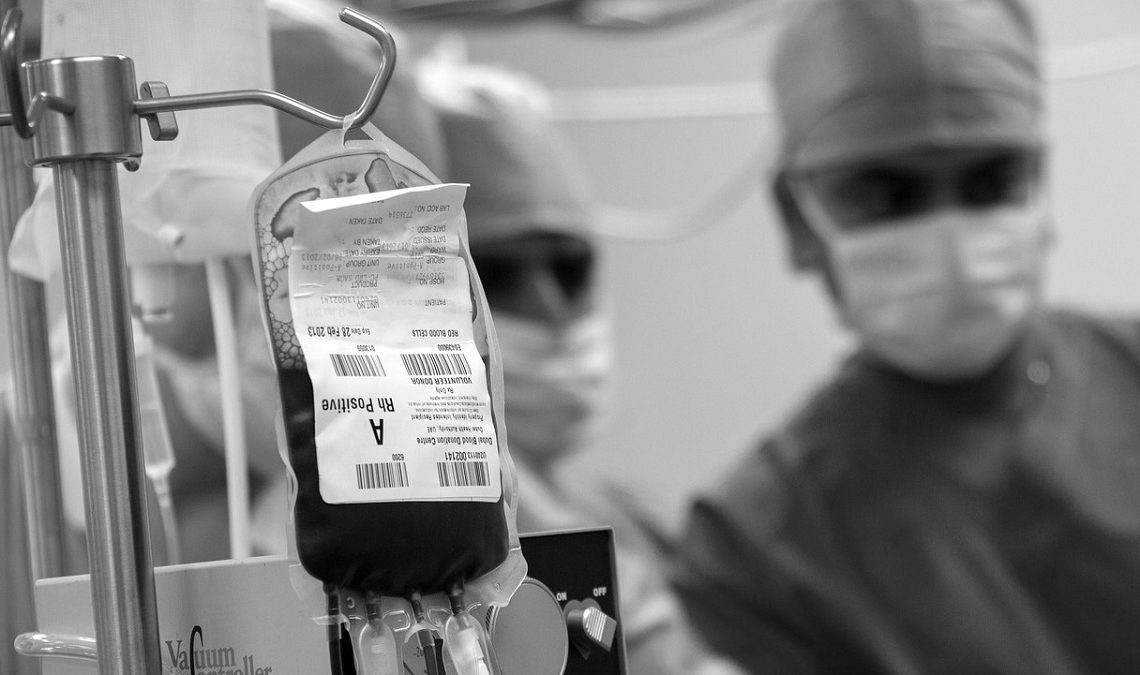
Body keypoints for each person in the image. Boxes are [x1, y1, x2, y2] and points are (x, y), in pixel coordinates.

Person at [672, 0, 1140, 673]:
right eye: (889, 193)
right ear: (797, 220)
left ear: (1041, 181)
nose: (951, 235)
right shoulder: (756, 550)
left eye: (989, 179)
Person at [419, 56, 746, 675]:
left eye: (569, 269)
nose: (548, 307)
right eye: (493, 274)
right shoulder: (297, 539)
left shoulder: (627, 522)